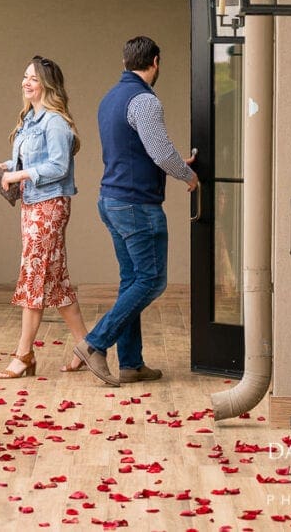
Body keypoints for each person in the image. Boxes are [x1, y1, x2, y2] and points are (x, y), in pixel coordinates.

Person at [74, 36, 197, 386]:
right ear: (155, 62)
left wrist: (171, 165)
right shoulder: (144, 100)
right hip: (136, 205)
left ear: (126, 61)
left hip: (111, 200)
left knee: (132, 280)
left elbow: (136, 152)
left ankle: (131, 363)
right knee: (151, 280)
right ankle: (95, 343)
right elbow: (159, 151)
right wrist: (187, 175)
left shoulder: (109, 98)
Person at [0, 55, 90, 379]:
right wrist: (6, 167)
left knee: (34, 275)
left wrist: (20, 176)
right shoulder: (29, 120)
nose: (25, 82)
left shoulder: (56, 122)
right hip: (33, 204)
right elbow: (31, 159)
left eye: (33, 78)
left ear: (48, 84)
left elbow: (58, 166)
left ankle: (24, 355)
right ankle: (89, 349)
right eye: (25, 77)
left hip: (50, 206)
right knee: (56, 282)